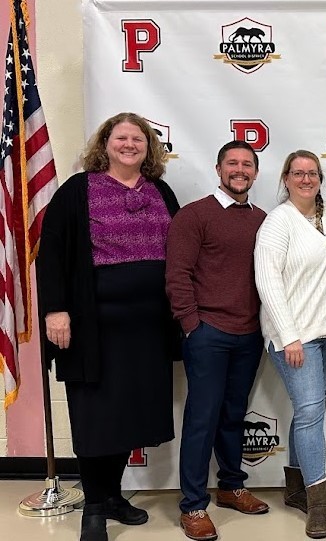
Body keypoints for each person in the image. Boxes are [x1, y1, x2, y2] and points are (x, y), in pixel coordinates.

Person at [37, 112, 180, 541]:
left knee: (129, 415)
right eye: (121, 138)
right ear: (105, 144)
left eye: (138, 139)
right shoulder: (77, 190)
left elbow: (180, 250)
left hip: (148, 328)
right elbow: (52, 254)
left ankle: (114, 495)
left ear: (149, 148)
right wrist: (55, 310)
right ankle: (94, 506)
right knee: (95, 417)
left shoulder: (160, 191)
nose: (129, 145)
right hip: (93, 329)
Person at [165, 141, 268, 541]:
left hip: (250, 334)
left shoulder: (262, 219)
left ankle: (230, 486)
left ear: (255, 172)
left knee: (233, 415)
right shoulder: (195, 215)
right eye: (232, 163)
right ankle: (193, 505)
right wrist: (192, 325)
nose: (239, 170)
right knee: (202, 418)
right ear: (218, 169)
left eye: (247, 164)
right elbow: (178, 274)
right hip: (208, 333)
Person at [254, 150, 326, 539]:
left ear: (320, 178)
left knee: (308, 411)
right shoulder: (277, 222)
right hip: (295, 337)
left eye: (312, 173)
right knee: (311, 414)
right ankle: (319, 506)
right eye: (298, 173)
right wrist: (288, 335)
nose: (306, 179)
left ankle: (296, 488)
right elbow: (268, 281)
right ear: (286, 178)